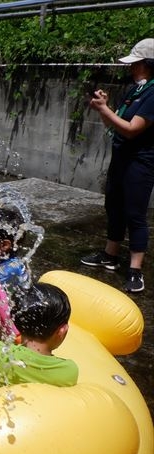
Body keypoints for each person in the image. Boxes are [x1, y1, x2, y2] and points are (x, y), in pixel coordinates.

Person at [80, 38, 154, 294]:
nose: (131, 68)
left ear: (148, 64)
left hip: (140, 162)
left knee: (135, 213)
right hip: (121, 157)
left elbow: (133, 129)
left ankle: (135, 270)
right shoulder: (135, 90)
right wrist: (103, 109)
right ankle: (110, 256)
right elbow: (115, 124)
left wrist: (104, 108)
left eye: (136, 64)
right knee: (113, 205)